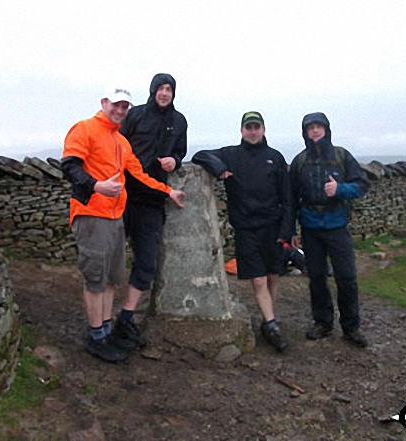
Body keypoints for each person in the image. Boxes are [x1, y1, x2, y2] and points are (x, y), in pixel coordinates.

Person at [61, 87, 185, 362]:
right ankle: (96, 337)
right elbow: (69, 166)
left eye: (124, 107)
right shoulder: (85, 129)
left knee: (109, 279)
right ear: (104, 102)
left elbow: (139, 175)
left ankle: (105, 331)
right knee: (95, 278)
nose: (119, 110)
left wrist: (168, 192)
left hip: (115, 216)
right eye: (116, 105)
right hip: (92, 213)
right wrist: (96, 186)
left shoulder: (120, 141)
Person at [192, 111, 290, 353]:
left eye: (257, 127)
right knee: (257, 279)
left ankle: (270, 319)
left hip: (272, 226)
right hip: (246, 227)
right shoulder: (230, 155)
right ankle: (271, 324)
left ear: (264, 130)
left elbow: (288, 198)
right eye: (249, 127)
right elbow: (199, 155)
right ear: (242, 130)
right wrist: (220, 168)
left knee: (273, 276)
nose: (253, 131)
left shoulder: (275, 158)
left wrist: (286, 230)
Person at [116, 73, 188, 349]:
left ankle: (126, 317)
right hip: (123, 195)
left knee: (146, 261)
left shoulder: (179, 121)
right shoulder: (135, 115)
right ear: (153, 90)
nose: (164, 93)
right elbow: (118, 145)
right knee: (112, 258)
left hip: (153, 200)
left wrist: (175, 160)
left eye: (169, 89)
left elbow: (180, 152)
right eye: (161, 88)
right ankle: (100, 321)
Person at [289, 112, 370, 348]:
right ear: (304, 132)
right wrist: (291, 229)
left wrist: (340, 189)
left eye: (318, 127)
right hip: (310, 227)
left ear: (326, 129)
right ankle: (323, 322)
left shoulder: (342, 156)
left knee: (346, 277)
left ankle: (351, 327)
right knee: (316, 277)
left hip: (337, 226)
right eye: (310, 128)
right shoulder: (300, 161)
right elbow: (292, 198)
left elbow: (362, 184)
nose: (314, 131)